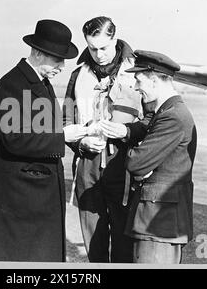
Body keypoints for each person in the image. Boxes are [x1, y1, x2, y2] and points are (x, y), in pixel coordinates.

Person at [0, 19, 79, 262]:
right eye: (57, 59)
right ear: (37, 53)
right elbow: (13, 139)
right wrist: (63, 137)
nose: (62, 66)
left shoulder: (40, 82)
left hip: (35, 196)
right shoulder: (11, 85)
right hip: (21, 200)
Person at [100, 50, 197, 263]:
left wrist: (141, 155)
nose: (136, 87)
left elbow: (135, 163)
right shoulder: (166, 111)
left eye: (139, 80)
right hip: (158, 222)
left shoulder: (172, 117)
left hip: (158, 224)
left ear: (153, 80)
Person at [62, 16, 145, 262]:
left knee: (124, 239)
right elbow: (65, 120)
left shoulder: (137, 72)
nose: (98, 55)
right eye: (92, 48)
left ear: (115, 39)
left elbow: (153, 120)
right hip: (88, 165)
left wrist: (127, 133)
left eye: (103, 48)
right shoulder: (78, 76)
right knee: (94, 242)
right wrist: (80, 143)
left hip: (125, 163)